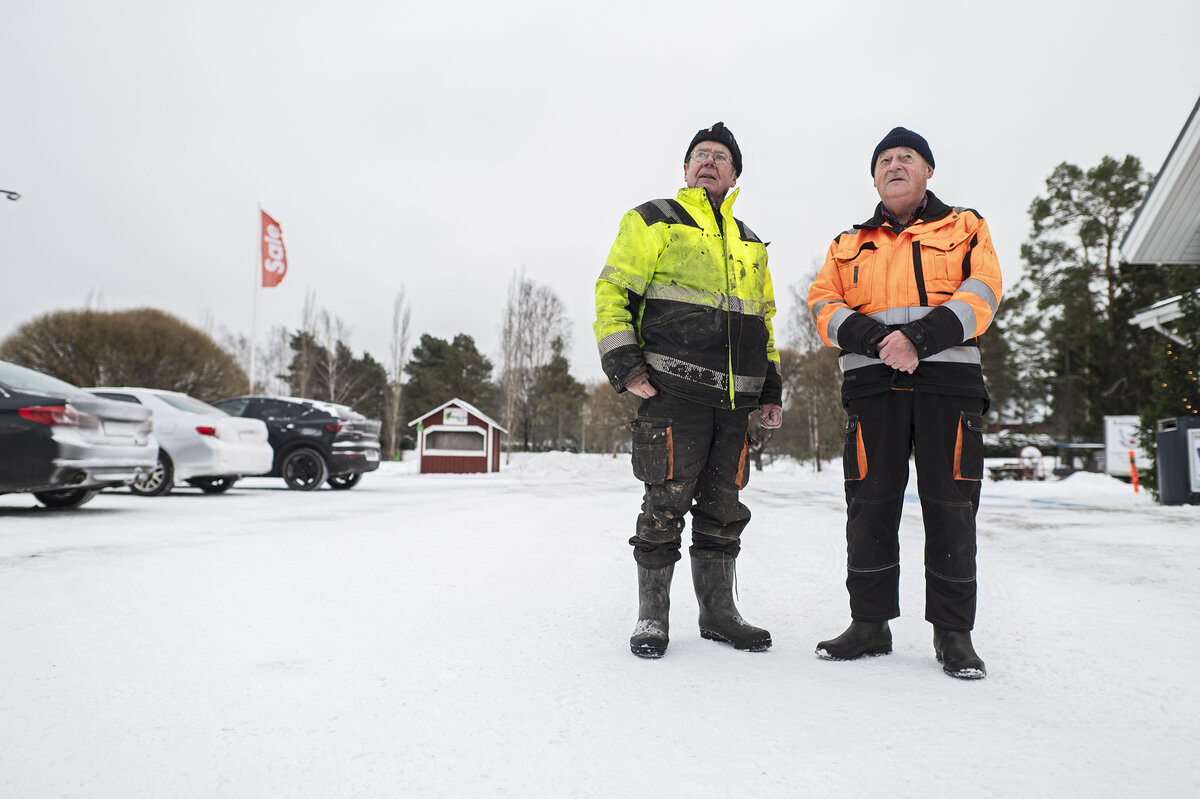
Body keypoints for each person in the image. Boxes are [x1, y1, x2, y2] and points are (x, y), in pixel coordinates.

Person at [807, 127, 1002, 679]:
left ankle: (953, 635)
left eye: (906, 157)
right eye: (884, 160)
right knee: (869, 506)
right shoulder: (846, 244)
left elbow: (983, 291)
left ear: (928, 171)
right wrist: (877, 342)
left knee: (952, 508)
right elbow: (823, 304)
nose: (894, 164)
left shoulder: (965, 225)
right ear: (874, 177)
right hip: (872, 393)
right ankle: (869, 624)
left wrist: (918, 340)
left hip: (949, 389)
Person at [594, 122, 783, 659]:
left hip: (736, 402)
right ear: (684, 169)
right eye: (699, 155)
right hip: (671, 394)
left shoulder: (750, 243)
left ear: (735, 173)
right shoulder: (654, 219)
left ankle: (719, 614)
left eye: (720, 157)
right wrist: (626, 366)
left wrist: (770, 389)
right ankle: (652, 617)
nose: (709, 162)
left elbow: (763, 322)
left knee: (725, 508)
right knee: (664, 504)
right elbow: (612, 292)